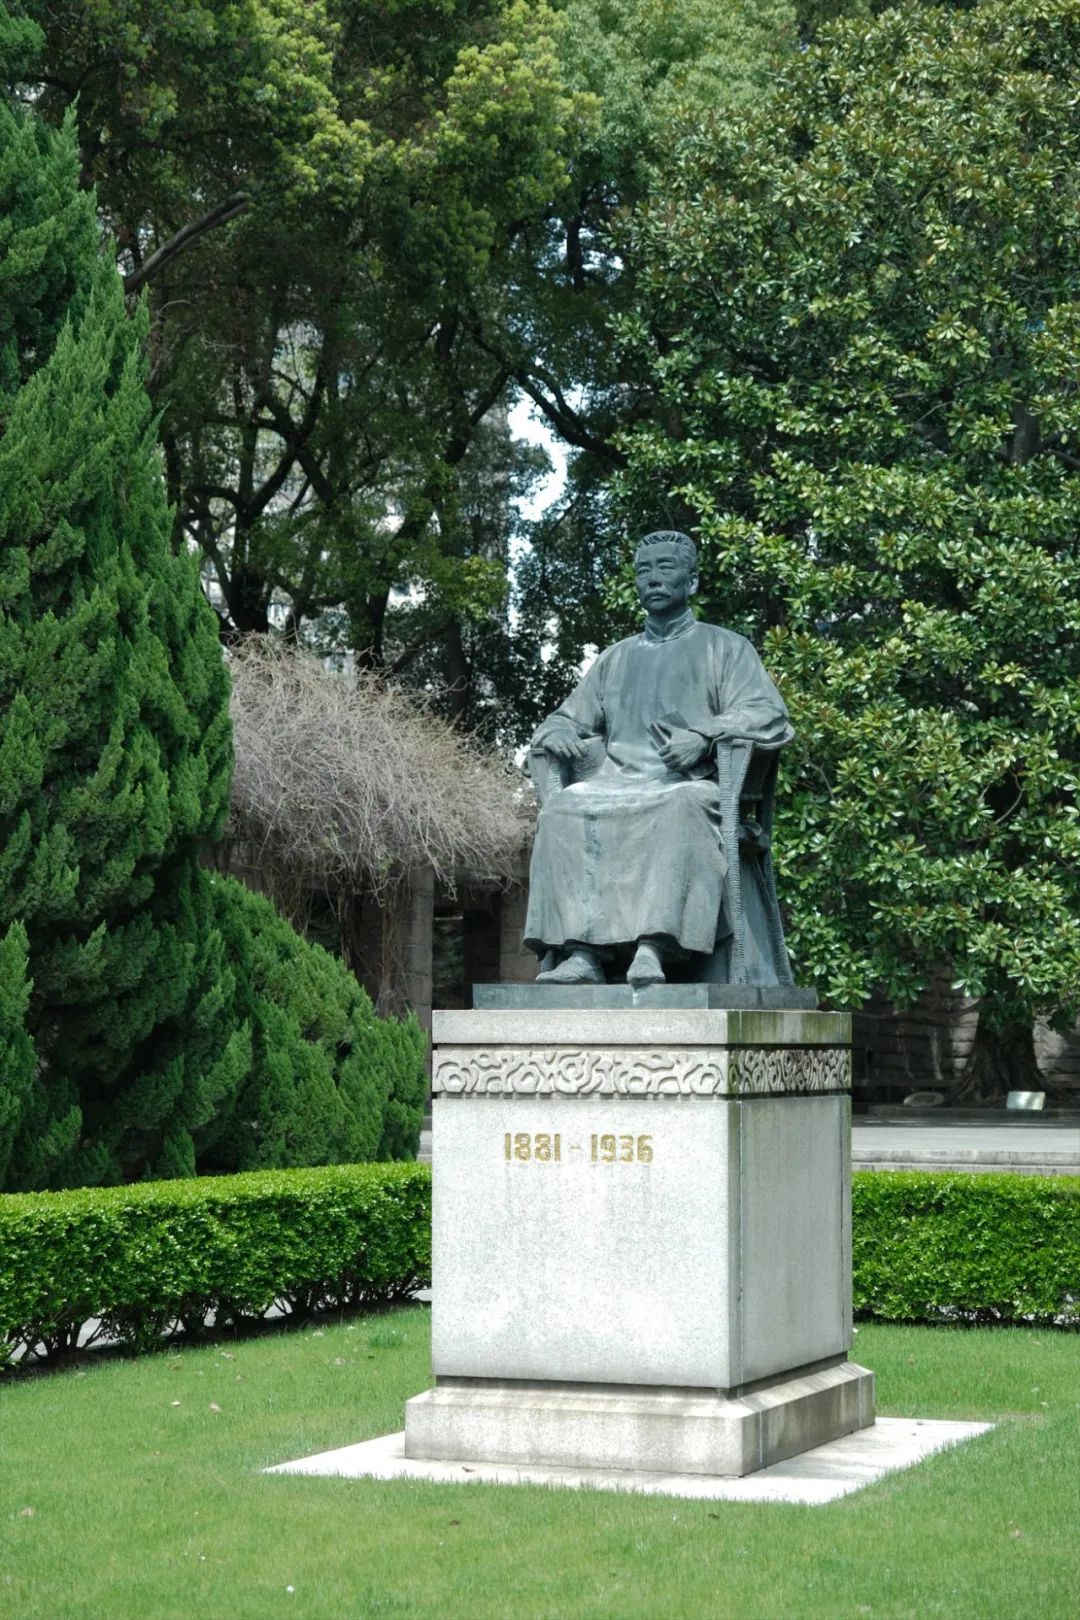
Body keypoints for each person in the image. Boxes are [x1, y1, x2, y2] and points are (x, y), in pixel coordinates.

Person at [524, 530, 793, 987]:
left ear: (692, 581)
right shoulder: (615, 658)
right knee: (562, 809)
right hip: (616, 784)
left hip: (689, 786)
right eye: (644, 570)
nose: (653, 579)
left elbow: (769, 714)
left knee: (681, 805)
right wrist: (560, 732)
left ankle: (653, 947)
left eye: (666, 568)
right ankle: (584, 954)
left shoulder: (725, 648)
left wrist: (706, 735)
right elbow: (563, 718)